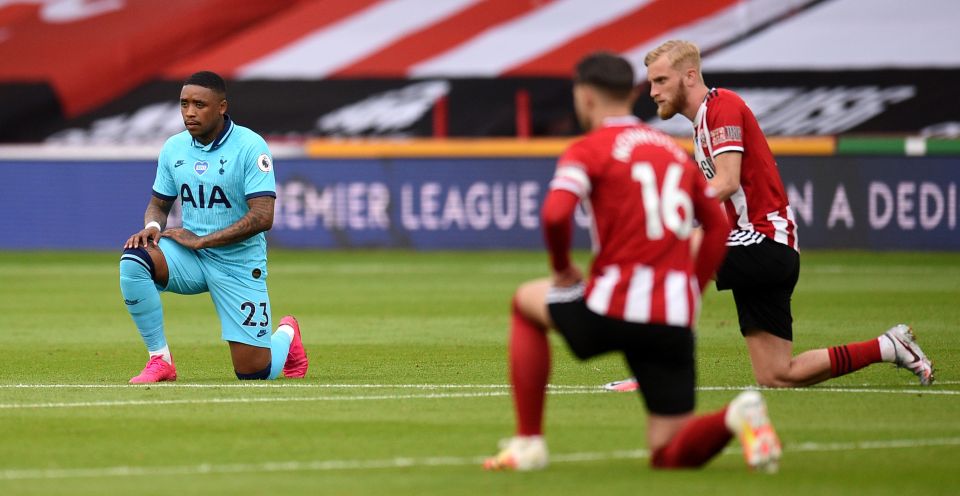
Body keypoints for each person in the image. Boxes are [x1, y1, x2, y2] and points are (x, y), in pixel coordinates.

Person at [484, 52, 782, 473]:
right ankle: (736, 416)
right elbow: (716, 226)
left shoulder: (589, 149)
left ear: (585, 97)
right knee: (668, 452)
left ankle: (529, 443)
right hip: (671, 318)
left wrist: (562, 268)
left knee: (524, 302)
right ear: (633, 93)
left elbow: (554, 213)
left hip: (614, 305)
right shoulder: (672, 151)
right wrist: (691, 291)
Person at [604, 40, 933, 393]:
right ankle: (889, 346)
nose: (652, 92)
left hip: (764, 238)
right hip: (760, 246)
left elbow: (727, 182)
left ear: (689, 76)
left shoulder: (722, 106)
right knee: (777, 374)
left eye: (660, 81)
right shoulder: (703, 124)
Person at [120, 71, 308, 383]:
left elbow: (263, 217)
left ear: (221, 107)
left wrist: (203, 240)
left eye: (199, 104)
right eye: (184, 104)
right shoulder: (174, 148)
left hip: (239, 263)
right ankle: (160, 360)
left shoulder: (250, 146)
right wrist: (153, 225)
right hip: (191, 257)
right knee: (135, 259)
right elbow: (159, 203)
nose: (189, 113)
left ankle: (287, 334)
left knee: (254, 372)